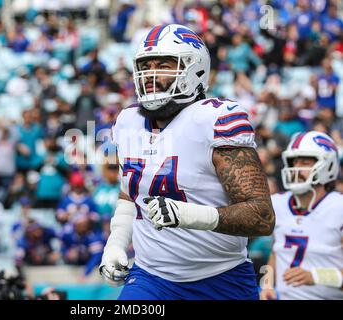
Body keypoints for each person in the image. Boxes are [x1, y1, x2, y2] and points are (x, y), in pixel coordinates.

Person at [99, 24, 275, 300]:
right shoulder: (127, 121)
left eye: (164, 65)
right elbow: (129, 193)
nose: (150, 75)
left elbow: (261, 217)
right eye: (145, 66)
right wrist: (116, 243)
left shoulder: (215, 120)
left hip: (221, 278)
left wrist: (188, 216)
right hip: (150, 278)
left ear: (195, 70)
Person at [260, 131, 342, 300]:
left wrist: (316, 276)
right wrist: (266, 285)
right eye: (293, 162)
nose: (296, 169)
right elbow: (276, 252)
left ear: (328, 165)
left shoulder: (338, 208)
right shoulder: (278, 203)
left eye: (305, 162)